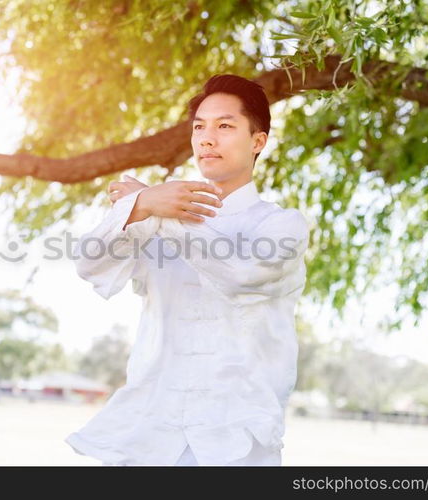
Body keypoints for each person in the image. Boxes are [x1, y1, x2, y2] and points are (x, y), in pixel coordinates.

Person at [66, 74, 310, 465]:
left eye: (225, 126)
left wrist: (156, 209)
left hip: (236, 442)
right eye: (199, 127)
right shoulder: (151, 209)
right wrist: (140, 207)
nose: (207, 139)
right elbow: (90, 263)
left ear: (258, 141)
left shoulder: (282, 226)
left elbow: (239, 274)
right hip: (151, 436)